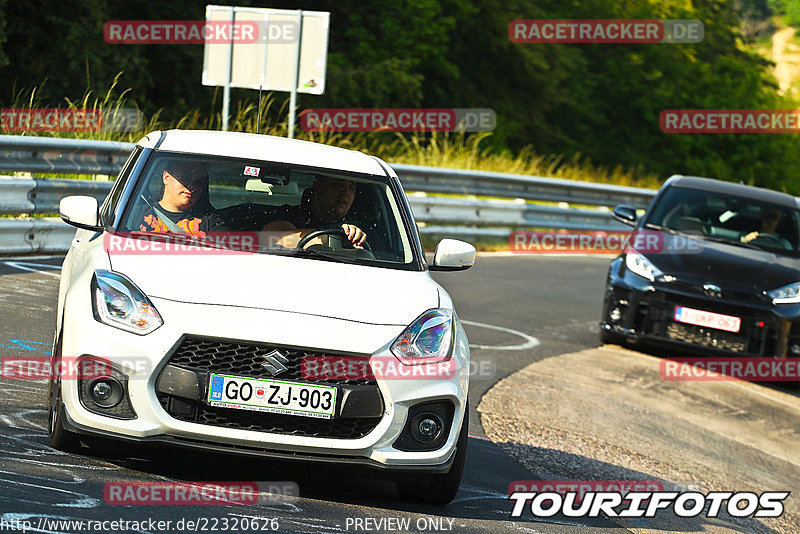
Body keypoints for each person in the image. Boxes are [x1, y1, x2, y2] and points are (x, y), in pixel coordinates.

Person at [263, 175, 367, 249]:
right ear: (319, 184)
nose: (346, 192)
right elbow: (274, 236)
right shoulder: (287, 214)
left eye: (351, 188)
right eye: (338, 184)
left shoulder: (361, 231)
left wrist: (354, 240)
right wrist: (338, 237)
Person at [136, 159, 227, 238]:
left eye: (199, 181)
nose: (192, 186)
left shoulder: (211, 222)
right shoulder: (134, 214)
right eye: (185, 178)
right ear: (166, 177)